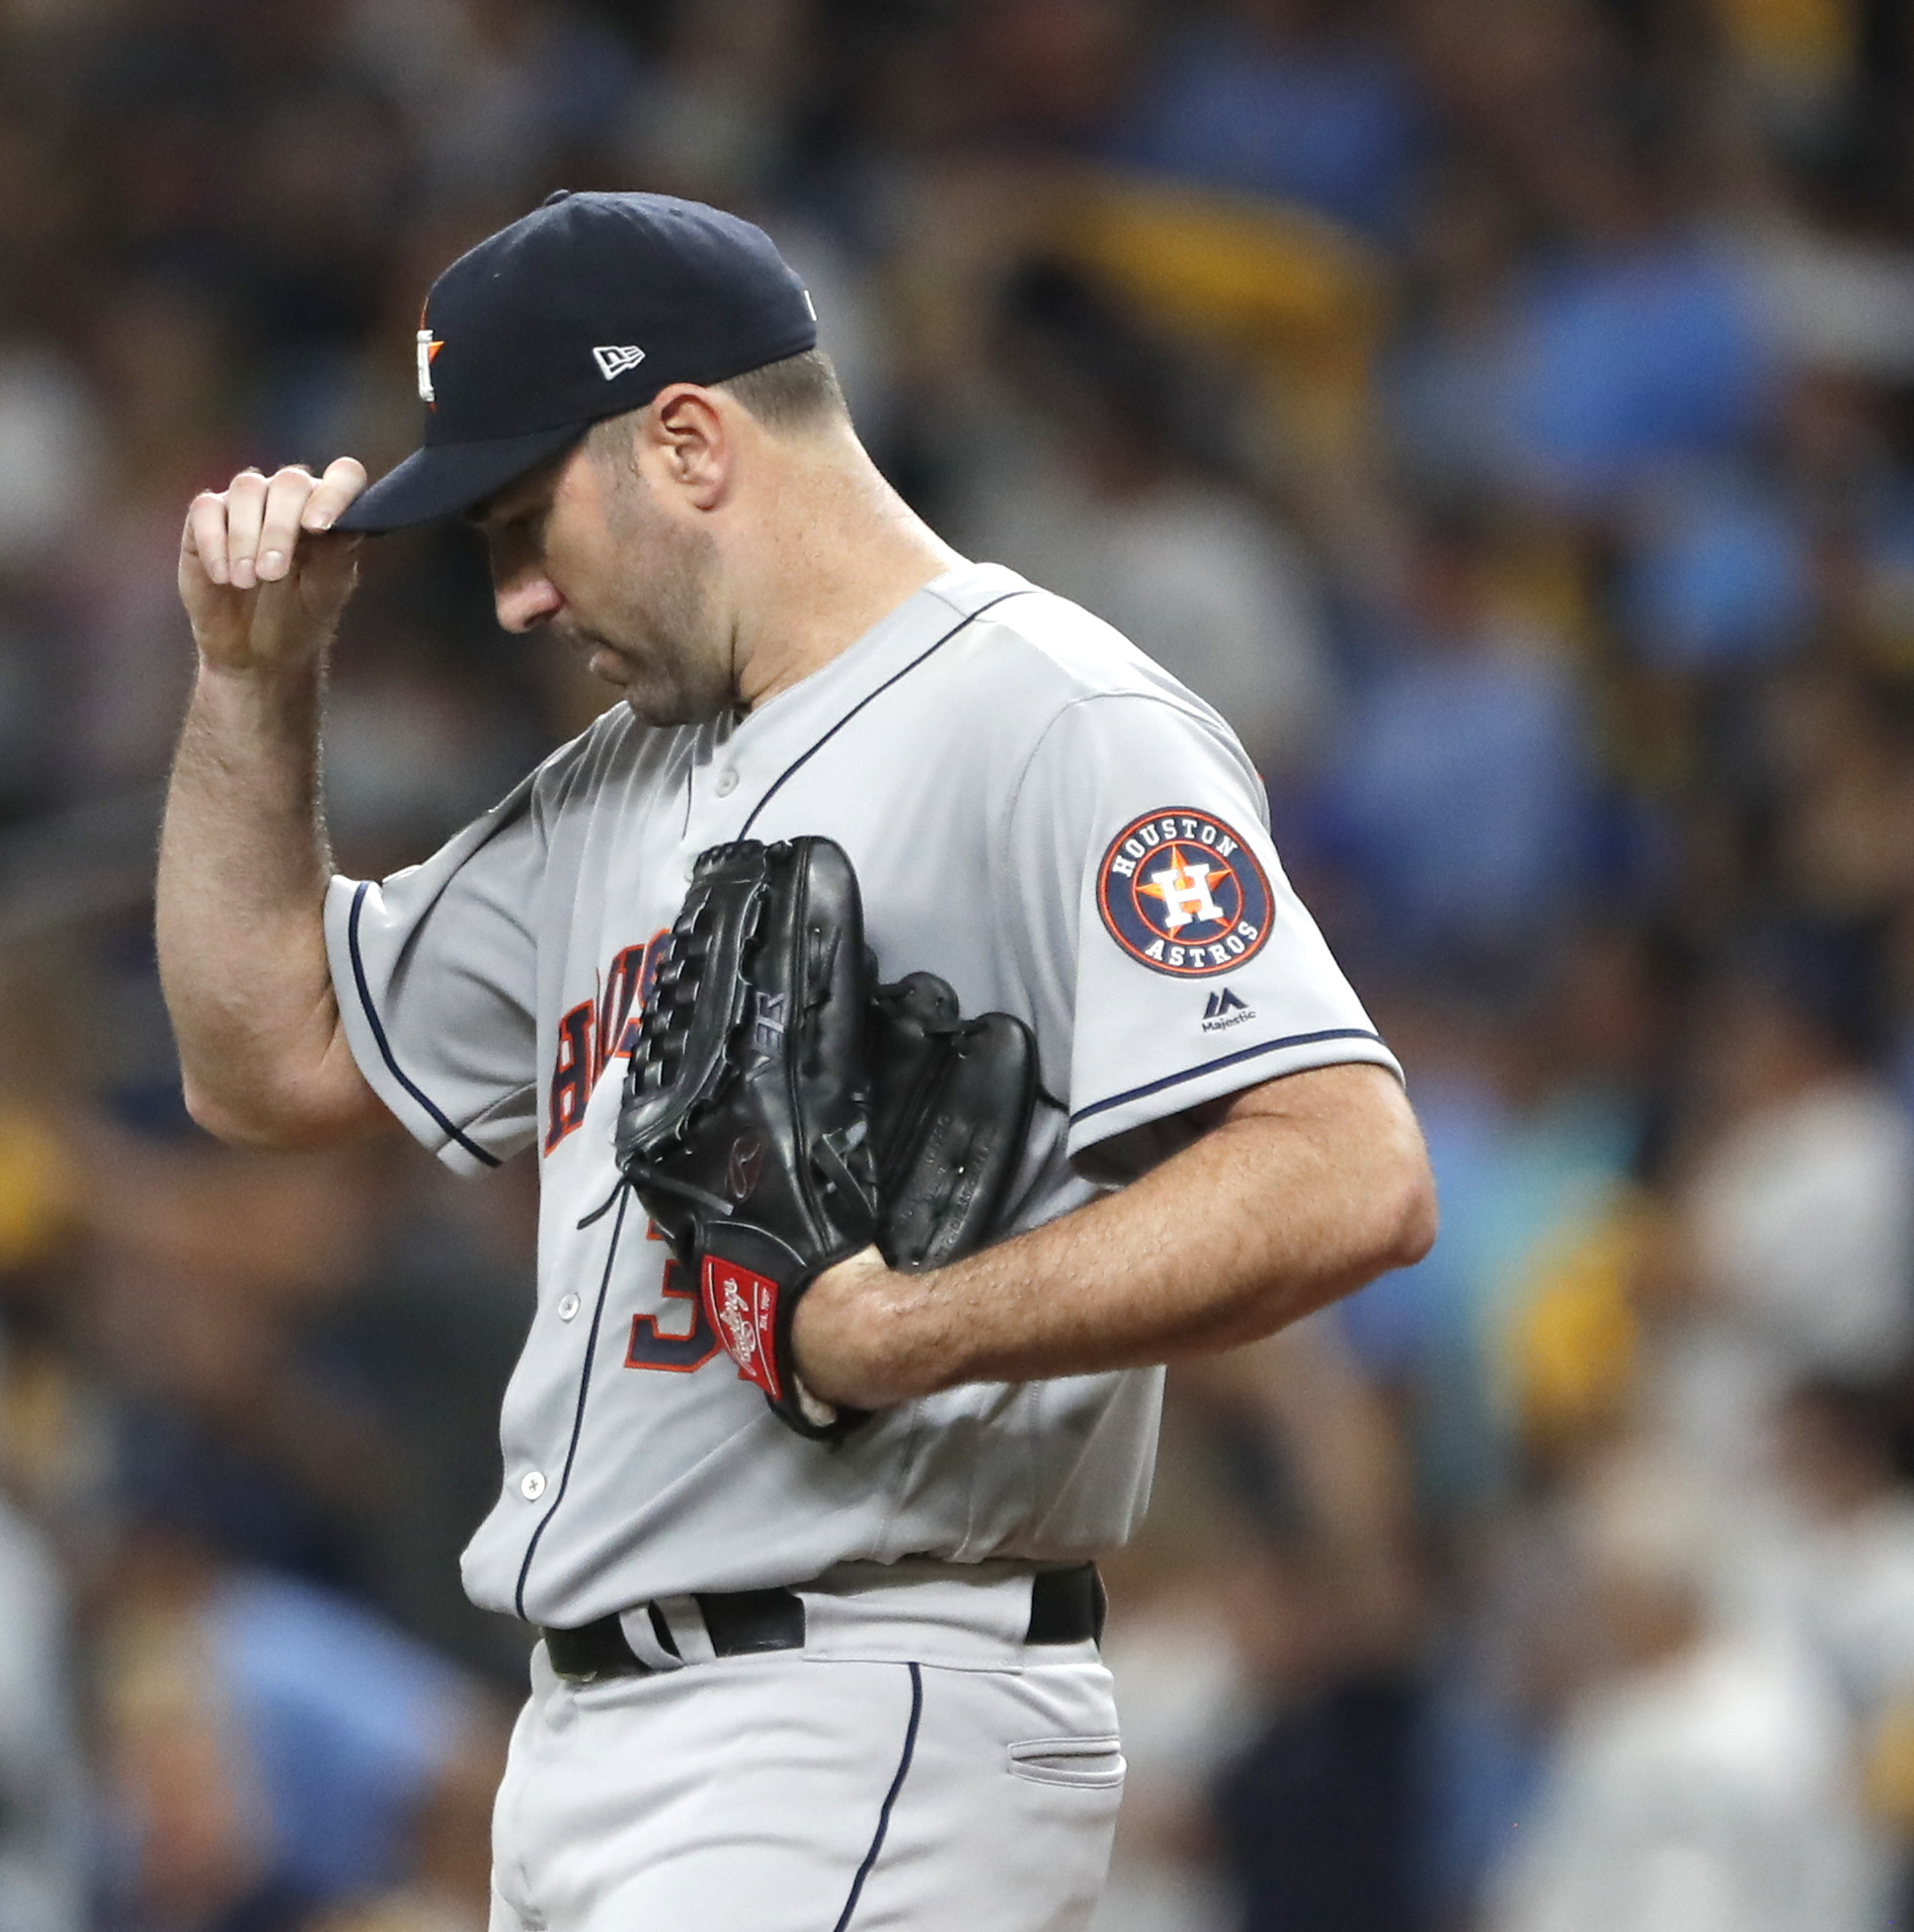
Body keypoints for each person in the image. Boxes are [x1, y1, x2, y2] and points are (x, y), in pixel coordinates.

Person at [152, 191, 1434, 1932]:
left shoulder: (1046, 713)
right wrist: (254, 681)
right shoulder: (622, 779)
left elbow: (1346, 1167)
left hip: (853, 1696)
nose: (517, 596)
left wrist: (904, 1327)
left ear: (687, 444)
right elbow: (268, 1064)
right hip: (600, 1733)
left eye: (528, 519)